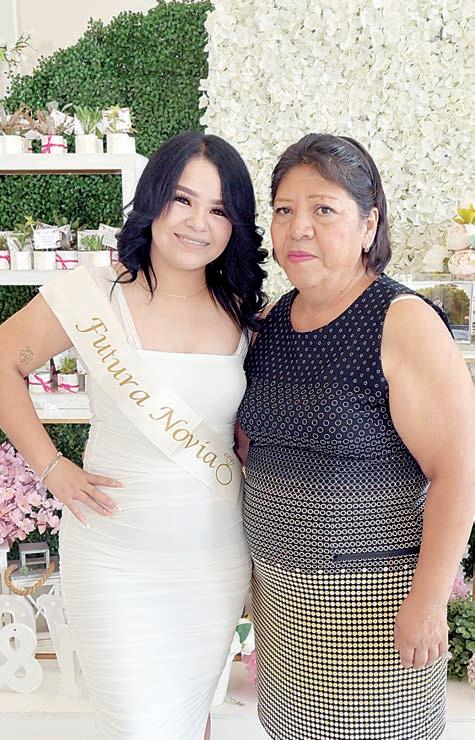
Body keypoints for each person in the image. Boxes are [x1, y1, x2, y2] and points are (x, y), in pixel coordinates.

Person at [0, 131, 267, 740]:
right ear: (153, 199)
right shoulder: (95, 294)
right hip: (115, 560)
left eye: (219, 209)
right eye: (183, 199)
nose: (197, 222)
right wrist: (51, 466)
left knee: (190, 720)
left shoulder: (242, 309)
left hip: (211, 560)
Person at [237, 133, 475, 740]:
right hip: (281, 604)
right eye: (284, 209)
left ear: (368, 224)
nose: (298, 228)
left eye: (324, 209)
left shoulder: (402, 320)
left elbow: (459, 471)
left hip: (375, 609)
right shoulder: (273, 321)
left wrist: (428, 603)